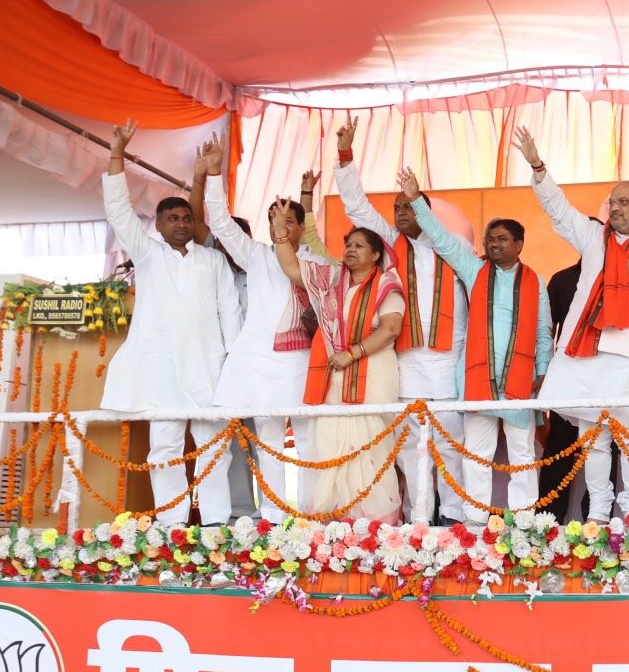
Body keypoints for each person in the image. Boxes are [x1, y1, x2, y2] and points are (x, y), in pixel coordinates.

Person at [515, 127, 629, 521]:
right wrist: (537, 165)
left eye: (625, 202)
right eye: (613, 202)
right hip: (588, 354)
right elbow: (558, 210)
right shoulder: (594, 238)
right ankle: (598, 511)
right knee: (592, 438)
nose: (615, 208)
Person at [317, 118, 468, 523]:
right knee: (407, 446)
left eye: (409, 207)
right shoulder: (392, 246)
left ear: (426, 211)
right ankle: (421, 518)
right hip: (404, 363)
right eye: (397, 208)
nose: (400, 213)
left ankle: (453, 518)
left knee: (452, 444)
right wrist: (345, 158)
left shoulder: (454, 249)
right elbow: (357, 207)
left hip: (447, 362)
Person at [96, 120, 240, 525]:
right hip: (160, 369)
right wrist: (116, 155)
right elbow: (117, 210)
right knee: (164, 447)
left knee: (215, 448)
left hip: (209, 365)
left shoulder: (212, 260)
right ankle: (172, 525)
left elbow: (230, 311)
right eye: (172, 219)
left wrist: (231, 361)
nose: (180, 223)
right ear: (157, 225)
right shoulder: (147, 254)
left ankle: (215, 524)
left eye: (186, 218)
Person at [396, 168, 553, 521]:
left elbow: (544, 332)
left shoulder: (535, 282)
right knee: (476, 455)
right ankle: (477, 523)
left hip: (521, 382)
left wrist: (543, 373)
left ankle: (524, 522)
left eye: (501, 239)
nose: (494, 244)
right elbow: (442, 238)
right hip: (478, 380)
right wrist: (418, 200)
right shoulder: (474, 270)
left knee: (522, 456)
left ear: (519, 244)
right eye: (490, 239)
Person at [197, 138, 310, 523]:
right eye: (274, 222)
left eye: (289, 222)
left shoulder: (314, 260)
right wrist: (214, 175)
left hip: (299, 359)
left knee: (308, 442)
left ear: (302, 227)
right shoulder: (256, 255)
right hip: (255, 358)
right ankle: (269, 517)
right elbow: (221, 225)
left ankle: (311, 517)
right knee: (261, 437)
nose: (279, 228)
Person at [273, 210, 406, 521]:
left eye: (359, 246)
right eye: (348, 244)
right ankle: (334, 517)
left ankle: (374, 520)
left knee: (370, 445)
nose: (350, 249)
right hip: (335, 372)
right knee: (331, 441)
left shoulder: (388, 283)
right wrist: (281, 233)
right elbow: (291, 267)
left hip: (374, 371)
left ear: (376, 254)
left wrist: (353, 353)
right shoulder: (331, 279)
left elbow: (390, 329)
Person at [538, 259, 585, 518]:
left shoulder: (620, 276)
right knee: (559, 448)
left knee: (605, 449)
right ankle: (548, 521)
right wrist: (545, 371)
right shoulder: (562, 278)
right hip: (567, 375)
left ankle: (599, 522)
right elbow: (546, 329)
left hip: (605, 379)